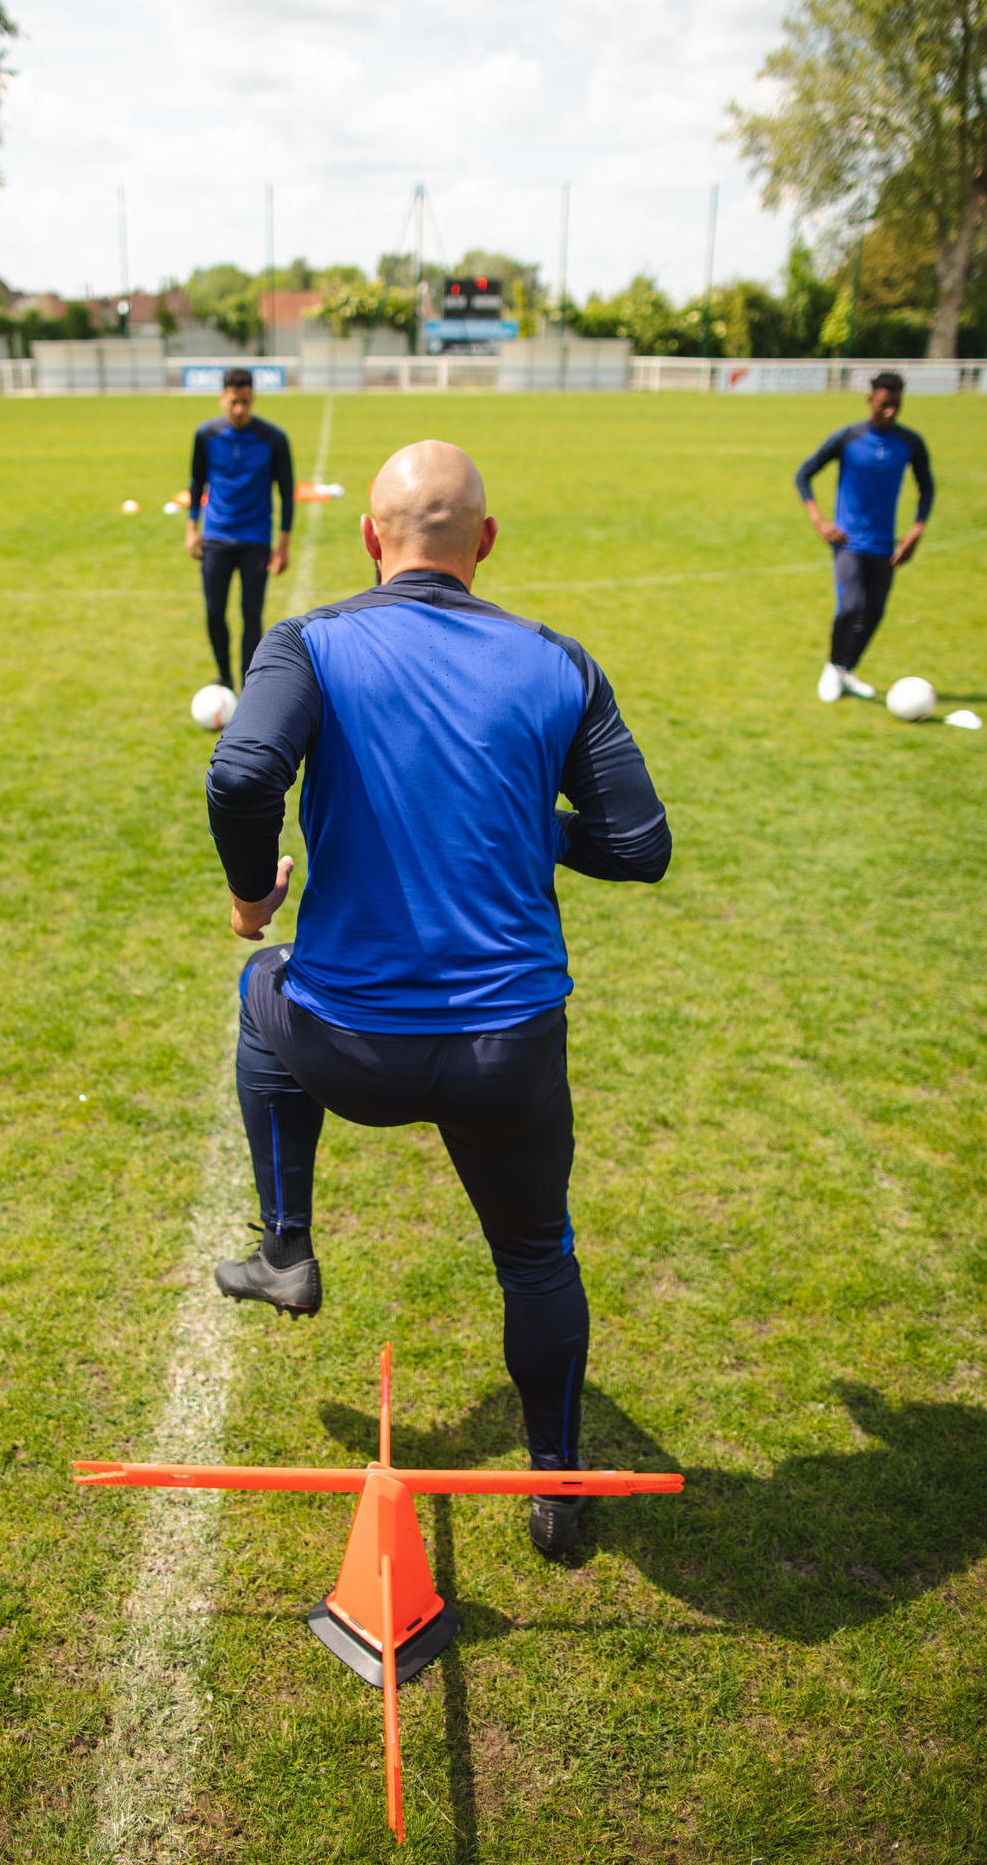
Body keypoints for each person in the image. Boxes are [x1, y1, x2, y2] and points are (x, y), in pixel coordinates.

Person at [202, 440, 671, 1556]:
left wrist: (247, 894)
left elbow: (239, 773)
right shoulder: (557, 661)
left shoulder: (308, 639)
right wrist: (528, 821)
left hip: (346, 1047)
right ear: (487, 543)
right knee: (536, 1257)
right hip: (506, 1051)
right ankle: (557, 1488)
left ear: (371, 539)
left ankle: (287, 1244)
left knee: (259, 983)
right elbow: (639, 843)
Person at [795, 369, 935, 702]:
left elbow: (927, 487)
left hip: (885, 545)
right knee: (850, 607)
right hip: (848, 543)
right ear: (870, 400)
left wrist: (916, 530)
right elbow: (804, 474)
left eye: (896, 405)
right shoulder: (849, 439)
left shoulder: (910, 443)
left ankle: (846, 668)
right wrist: (819, 520)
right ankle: (831, 667)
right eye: (884, 404)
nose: (890, 411)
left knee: (874, 613)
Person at [186, 367, 295, 690]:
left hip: (256, 540)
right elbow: (196, 482)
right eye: (234, 402)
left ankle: (250, 684)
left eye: (245, 402)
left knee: (252, 615)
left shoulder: (273, 439)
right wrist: (192, 529)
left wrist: (283, 545)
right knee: (214, 611)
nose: (239, 410)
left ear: (253, 398)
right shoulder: (206, 435)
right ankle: (224, 677)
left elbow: (287, 493)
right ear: (223, 398)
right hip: (216, 536)